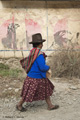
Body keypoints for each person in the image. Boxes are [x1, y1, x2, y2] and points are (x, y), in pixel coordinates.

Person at [16, 33, 59, 111]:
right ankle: (19, 105)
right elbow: (42, 68)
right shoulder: (39, 54)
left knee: (40, 91)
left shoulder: (33, 51)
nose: (42, 45)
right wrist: (48, 67)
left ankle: (50, 105)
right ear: (40, 44)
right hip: (37, 77)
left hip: (31, 76)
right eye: (41, 43)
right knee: (32, 92)